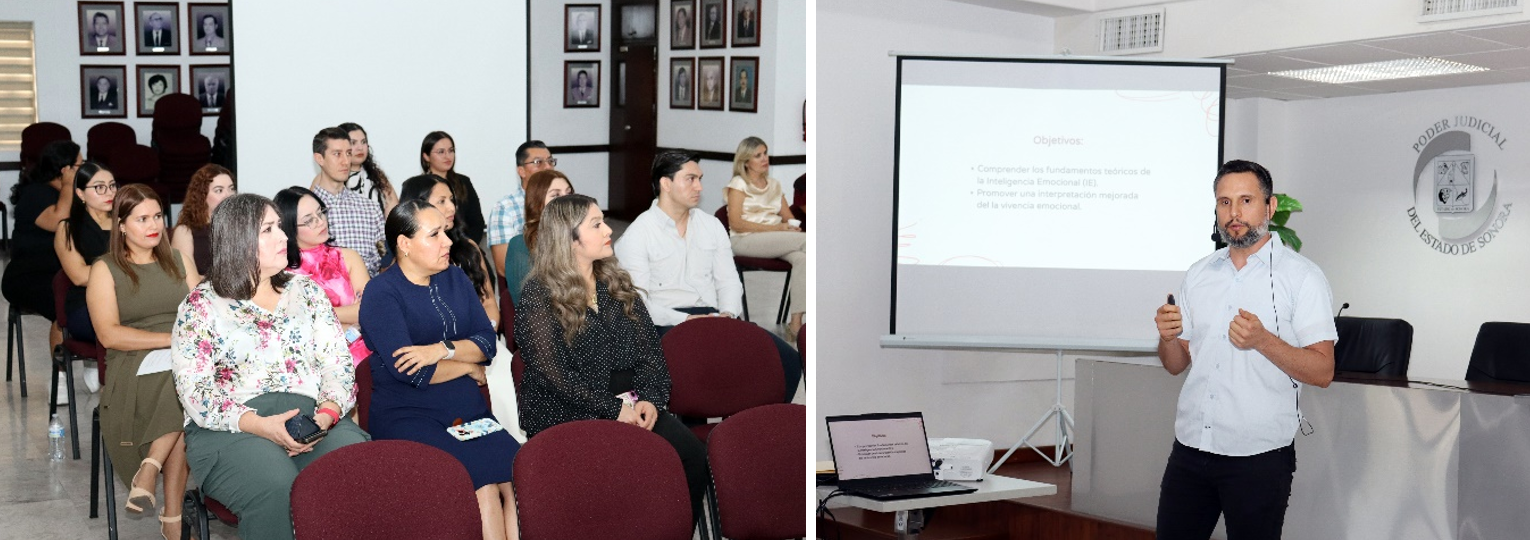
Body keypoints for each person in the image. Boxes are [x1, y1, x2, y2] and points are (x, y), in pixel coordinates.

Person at [1151, 160, 1337, 540]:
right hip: (1192, 448)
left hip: (1259, 457)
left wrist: (1264, 341)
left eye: (1246, 200)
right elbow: (1175, 365)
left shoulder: (1302, 278)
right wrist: (1168, 338)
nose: (1234, 214)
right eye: (1224, 202)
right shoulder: (1199, 274)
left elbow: (1323, 371)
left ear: (1269, 208)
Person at [171, 194, 368, 540]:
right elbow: (196, 394)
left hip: (312, 417)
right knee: (277, 487)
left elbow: (338, 367)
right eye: (268, 229)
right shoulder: (201, 305)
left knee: (356, 472)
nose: (284, 237)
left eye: (280, 226)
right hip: (232, 427)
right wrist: (262, 426)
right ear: (237, 239)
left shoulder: (307, 291)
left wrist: (322, 419)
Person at [515, 194, 709, 525]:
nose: (609, 230)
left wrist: (651, 399)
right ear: (569, 238)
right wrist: (614, 410)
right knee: (619, 471)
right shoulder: (539, 294)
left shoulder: (614, 282)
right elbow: (557, 379)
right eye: (597, 224)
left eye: (604, 221)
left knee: (691, 457)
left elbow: (651, 353)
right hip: (568, 409)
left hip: (630, 400)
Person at [360, 199, 519, 540]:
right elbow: (411, 372)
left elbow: (487, 343)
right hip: (409, 412)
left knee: (520, 477)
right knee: (484, 483)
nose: (448, 242)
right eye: (434, 235)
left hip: (465, 409)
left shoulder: (455, 278)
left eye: (445, 232)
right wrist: (466, 367)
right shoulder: (381, 293)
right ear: (404, 244)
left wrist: (440, 351)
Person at [616, 150, 801, 401]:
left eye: (700, 179)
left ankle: (749, 426)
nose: (699, 187)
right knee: (695, 371)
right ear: (666, 184)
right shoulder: (638, 234)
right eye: (690, 179)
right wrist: (686, 321)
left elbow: (728, 281)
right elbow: (638, 304)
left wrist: (728, 314)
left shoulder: (711, 225)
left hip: (714, 315)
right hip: (666, 322)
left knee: (786, 360)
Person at [89, 184, 201, 539]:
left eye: (157, 216)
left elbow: (201, 314)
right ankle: (171, 515)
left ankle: (151, 471)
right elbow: (109, 335)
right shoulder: (105, 269)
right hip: (131, 363)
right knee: (182, 384)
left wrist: (184, 344)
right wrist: (172, 341)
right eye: (142, 219)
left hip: (181, 358)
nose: (153, 225)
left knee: (182, 379)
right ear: (121, 225)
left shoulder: (180, 261)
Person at [275, 187, 371, 364]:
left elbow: (368, 311)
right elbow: (298, 326)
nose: (320, 222)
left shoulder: (348, 257)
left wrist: (316, 312)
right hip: (313, 364)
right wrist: (348, 318)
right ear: (289, 228)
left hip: (364, 356)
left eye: (321, 213)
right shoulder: (280, 272)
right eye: (309, 220)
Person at [724, 137, 806, 339]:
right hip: (745, 240)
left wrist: (791, 227)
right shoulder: (738, 184)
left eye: (765, 153)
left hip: (772, 240)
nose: (764, 158)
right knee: (810, 241)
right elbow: (736, 223)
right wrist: (778, 228)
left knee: (804, 259)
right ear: (745, 161)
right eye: (758, 155)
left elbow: (789, 218)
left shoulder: (775, 185)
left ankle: (795, 324)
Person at [4, 140, 81, 340]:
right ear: (66, 170)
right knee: (68, 307)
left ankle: (92, 366)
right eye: (80, 166)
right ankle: (62, 369)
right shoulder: (35, 193)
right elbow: (58, 222)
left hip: (60, 272)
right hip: (28, 276)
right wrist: (67, 185)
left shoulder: (71, 196)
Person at [399, 175, 497, 327]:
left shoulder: (468, 248)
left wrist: (487, 333)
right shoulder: (407, 255)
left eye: (452, 199)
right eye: (442, 201)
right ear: (419, 206)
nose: (452, 207)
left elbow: (489, 303)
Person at [54, 162, 115, 391]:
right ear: (80, 193)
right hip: (85, 306)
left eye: (112, 186)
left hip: (128, 298)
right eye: (99, 187)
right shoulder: (68, 228)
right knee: (123, 322)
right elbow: (79, 276)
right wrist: (126, 270)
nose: (109, 193)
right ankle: (116, 390)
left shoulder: (125, 223)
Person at [310, 127, 385, 275]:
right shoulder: (306, 211)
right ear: (320, 159)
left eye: (348, 153)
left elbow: (383, 262)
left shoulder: (370, 208)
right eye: (337, 154)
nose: (346, 161)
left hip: (368, 293)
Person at [503, 170, 574, 307]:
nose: (567, 200)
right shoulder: (521, 245)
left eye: (569, 192)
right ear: (538, 203)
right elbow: (527, 302)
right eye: (556, 195)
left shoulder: (581, 236)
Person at [488, 140, 556, 276]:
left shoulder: (562, 201)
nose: (548, 167)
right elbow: (504, 266)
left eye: (550, 161)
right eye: (538, 162)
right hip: (531, 284)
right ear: (521, 171)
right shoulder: (505, 208)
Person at [420, 131, 487, 244]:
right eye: (441, 152)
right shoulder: (419, 186)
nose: (447, 156)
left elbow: (477, 222)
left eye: (451, 151)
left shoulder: (464, 182)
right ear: (426, 156)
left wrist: (467, 247)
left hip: (465, 247)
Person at [172, 164, 237, 275]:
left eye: (231, 189)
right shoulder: (185, 231)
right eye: (219, 190)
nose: (228, 195)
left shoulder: (240, 226)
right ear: (202, 196)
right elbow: (186, 279)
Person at [339, 122, 398, 216]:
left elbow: (394, 211)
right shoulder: (330, 177)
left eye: (363, 142)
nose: (360, 148)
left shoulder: (377, 176)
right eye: (353, 143)